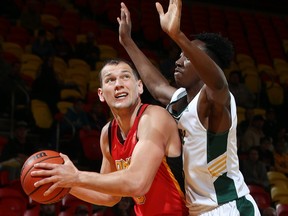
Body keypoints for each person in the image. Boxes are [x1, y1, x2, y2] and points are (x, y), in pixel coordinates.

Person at [118, 1, 260, 215]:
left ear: (206, 65)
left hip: (228, 207)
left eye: (187, 56)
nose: (178, 61)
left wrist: (178, 35)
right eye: (180, 54)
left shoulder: (215, 102)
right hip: (198, 209)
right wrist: (127, 42)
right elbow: (157, 87)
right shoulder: (182, 98)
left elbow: (219, 83)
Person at [31, 59, 188, 215]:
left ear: (139, 87)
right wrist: (65, 183)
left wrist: (77, 177)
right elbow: (109, 196)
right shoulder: (108, 133)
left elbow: (137, 182)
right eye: (110, 80)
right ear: (101, 94)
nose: (118, 84)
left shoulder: (154, 117)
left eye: (125, 77)